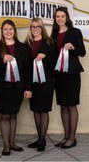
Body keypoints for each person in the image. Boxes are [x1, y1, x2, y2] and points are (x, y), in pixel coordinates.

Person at [0, 19, 32, 156]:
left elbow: (27, 69)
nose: (8, 32)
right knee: (5, 115)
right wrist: (2, 61)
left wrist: (28, 88)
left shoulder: (23, 47)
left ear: (14, 30)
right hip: (2, 87)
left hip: (18, 87)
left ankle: (12, 143)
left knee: (14, 114)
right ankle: (6, 146)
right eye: (5, 29)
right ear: (2, 31)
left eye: (10, 29)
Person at [50, 7, 86, 149]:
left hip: (72, 74)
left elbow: (82, 52)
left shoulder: (75, 32)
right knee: (63, 105)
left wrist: (73, 48)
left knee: (71, 105)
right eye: (57, 16)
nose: (60, 19)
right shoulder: (53, 34)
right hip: (58, 74)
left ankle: (72, 138)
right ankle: (66, 136)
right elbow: (53, 55)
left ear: (67, 17)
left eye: (62, 16)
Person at [25, 18, 55, 152]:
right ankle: (39, 138)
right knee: (36, 109)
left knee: (44, 110)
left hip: (46, 81)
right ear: (30, 29)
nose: (35, 29)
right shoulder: (28, 43)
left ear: (42, 28)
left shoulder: (49, 42)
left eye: (38, 26)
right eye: (32, 26)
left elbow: (56, 61)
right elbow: (25, 63)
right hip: (33, 81)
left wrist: (46, 57)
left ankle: (42, 140)